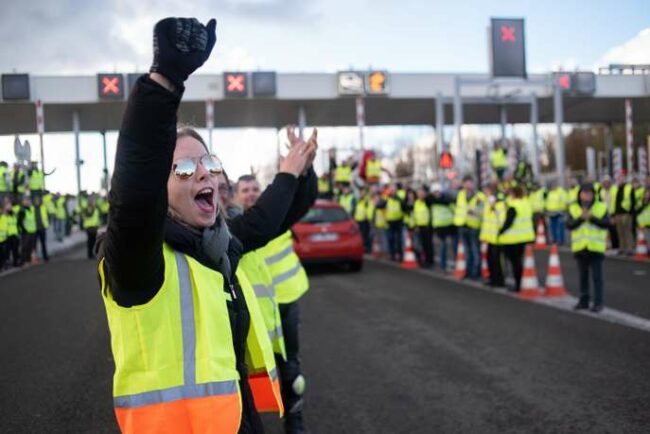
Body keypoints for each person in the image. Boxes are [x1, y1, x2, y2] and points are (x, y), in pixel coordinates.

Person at [98, 18, 316, 434]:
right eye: (182, 168)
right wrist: (165, 81)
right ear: (158, 189)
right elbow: (135, 187)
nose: (204, 174)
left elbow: (269, 218)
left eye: (209, 163)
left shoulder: (220, 244)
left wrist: (295, 170)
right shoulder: (137, 262)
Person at [234, 162, 317, 434]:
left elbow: (303, 200)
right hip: (253, 313)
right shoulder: (238, 228)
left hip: (285, 301)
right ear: (235, 196)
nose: (251, 193)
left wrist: (305, 170)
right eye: (245, 190)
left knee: (291, 369)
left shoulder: (274, 217)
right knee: (246, 375)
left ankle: (296, 425)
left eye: (255, 189)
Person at [566, 184, 609, 312]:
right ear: (579, 194)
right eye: (584, 193)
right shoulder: (573, 208)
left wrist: (592, 218)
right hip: (580, 248)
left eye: (589, 193)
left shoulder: (601, 207)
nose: (587, 195)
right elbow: (569, 225)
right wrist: (580, 218)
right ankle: (583, 301)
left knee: (597, 278)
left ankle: (598, 303)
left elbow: (606, 224)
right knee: (583, 277)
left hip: (596, 248)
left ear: (594, 194)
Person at [498, 186, 535, 292]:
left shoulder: (513, 206)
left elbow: (508, 222)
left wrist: (500, 231)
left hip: (512, 239)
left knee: (515, 263)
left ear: (513, 194)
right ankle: (521, 282)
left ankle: (518, 285)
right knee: (519, 262)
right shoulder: (526, 203)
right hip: (525, 237)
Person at [454, 175, 484, 279]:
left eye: (470, 183)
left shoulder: (479, 196)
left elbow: (482, 211)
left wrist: (472, 212)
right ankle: (468, 271)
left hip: (474, 226)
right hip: (462, 225)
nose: (468, 185)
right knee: (466, 251)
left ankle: (476, 272)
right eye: (466, 183)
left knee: (475, 250)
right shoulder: (460, 194)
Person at [480, 183, 505, 287]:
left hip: (497, 238)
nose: (485, 193)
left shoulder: (500, 205)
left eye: (486, 191)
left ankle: (499, 280)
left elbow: (501, 221)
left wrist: (494, 207)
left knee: (496, 261)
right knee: (490, 259)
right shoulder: (487, 203)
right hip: (489, 237)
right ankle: (492, 278)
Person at [430, 182, 455, 272]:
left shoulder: (447, 200)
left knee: (451, 246)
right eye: (435, 192)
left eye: (437, 192)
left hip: (449, 225)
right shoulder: (432, 201)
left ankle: (452, 264)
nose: (436, 194)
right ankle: (442, 265)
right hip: (439, 227)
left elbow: (454, 210)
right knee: (442, 246)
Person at [611, 172, 634, 255]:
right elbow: (613, 202)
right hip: (617, 213)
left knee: (627, 231)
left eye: (621, 177)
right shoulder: (615, 188)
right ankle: (622, 248)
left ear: (624, 178)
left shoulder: (629, 187)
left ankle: (629, 249)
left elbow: (632, 200)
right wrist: (613, 214)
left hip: (626, 213)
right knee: (620, 232)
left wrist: (630, 212)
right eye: (619, 177)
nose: (620, 179)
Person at [412, 185, 433, 267]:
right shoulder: (416, 202)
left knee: (428, 245)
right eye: (418, 193)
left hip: (427, 226)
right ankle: (424, 260)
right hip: (419, 226)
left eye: (421, 192)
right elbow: (415, 214)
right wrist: (416, 224)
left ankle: (429, 261)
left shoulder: (427, 201)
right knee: (422, 245)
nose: (420, 194)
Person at [17, 195, 37, 266]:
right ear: (22, 202)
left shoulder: (31, 209)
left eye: (28, 200)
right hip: (26, 232)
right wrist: (24, 230)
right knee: (24, 247)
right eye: (25, 200)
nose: (27, 202)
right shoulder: (22, 210)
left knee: (30, 247)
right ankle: (22, 261)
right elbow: (19, 222)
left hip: (32, 231)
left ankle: (28, 260)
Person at [545, 181, 567, 245]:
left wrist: (564, 210)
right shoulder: (550, 193)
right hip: (551, 213)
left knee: (560, 227)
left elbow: (565, 201)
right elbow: (547, 202)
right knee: (553, 227)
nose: (553, 187)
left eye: (554, 185)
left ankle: (561, 241)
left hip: (559, 212)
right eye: (552, 186)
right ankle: (554, 240)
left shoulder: (561, 192)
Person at [353, 187, 372, 253]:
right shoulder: (358, 200)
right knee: (361, 236)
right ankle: (363, 248)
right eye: (360, 192)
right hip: (358, 220)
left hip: (365, 221)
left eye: (362, 192)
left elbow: (369, 210)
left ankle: (367, 249)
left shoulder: (366, 201)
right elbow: (356, 210)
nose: (361, 194)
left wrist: (367, 218)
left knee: (366, 235)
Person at [32, 195, 49, 262]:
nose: (37, 201)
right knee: (34, 245)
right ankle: (35, 258)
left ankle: (45, 257)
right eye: (36, 200)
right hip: (34, 228)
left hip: (42, 228)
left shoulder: (43, 207)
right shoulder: (32, 208)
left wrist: (46, 225)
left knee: (43, 244)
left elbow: (47, 216)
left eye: (38, 200)